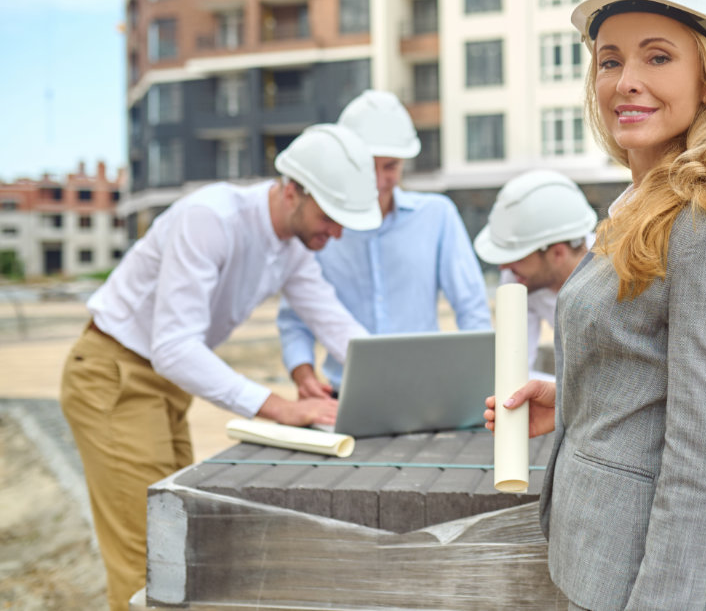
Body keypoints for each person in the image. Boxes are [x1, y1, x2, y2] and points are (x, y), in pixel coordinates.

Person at [485, 0, 706, 610]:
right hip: (606, 560)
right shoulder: (639, 205)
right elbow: (653, 365)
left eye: (658, 57)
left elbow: (704, 457)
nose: (626, 81)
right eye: (610, 60)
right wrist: (576, 398)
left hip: (656, 583)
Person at [60, 124, 381, 611]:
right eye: (331, 216)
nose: (336, 233)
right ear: (292, 189)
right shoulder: (210, 218)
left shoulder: (292, 247)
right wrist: (277, 407)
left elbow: (337, 324)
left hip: (162, 385)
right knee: (146, 555)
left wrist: (394, 385)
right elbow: (173, 346)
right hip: (113, 375)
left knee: (179, 534)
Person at [277, 90, 491, 397]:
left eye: (389, 166)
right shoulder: (317, 228)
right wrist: (304, 375)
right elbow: (296, 317)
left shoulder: (437, 216)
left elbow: (472, 309)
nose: (378, 180)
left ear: (404, 162)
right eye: (367, 166)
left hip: (426, 392)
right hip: (343, 392)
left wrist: (480, 379)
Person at [473, 170, 598, 378]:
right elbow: (513, 367)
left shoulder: (615, 275)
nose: (504, 267)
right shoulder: (518, 277)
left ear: (557, 253)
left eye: (517, 257)